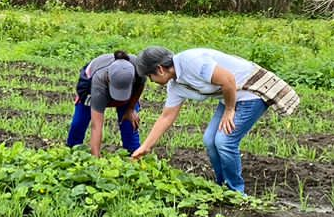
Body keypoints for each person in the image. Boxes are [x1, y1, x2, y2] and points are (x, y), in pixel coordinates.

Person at [129, 45, 299, 193]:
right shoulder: (175, 85)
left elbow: (228, 80)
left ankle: (236, 192)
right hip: (230, 95)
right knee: (210, 140)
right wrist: (145, 147)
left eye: (150, 76)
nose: (151, 81)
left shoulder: (191, 61)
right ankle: (221, 185)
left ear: (160, 69)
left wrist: (230, 109)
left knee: (225, 141)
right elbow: (166, 117)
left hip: (249, 91)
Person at [66, 50, 146, 156]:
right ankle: (72, 151)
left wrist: (131, 108)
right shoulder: (98, 81)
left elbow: (140, 86)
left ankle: (134, 155)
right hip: (90, 87)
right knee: (79, 123)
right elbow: (96, 125)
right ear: (108, 79)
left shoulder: (138, 70)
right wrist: (96, 159)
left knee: (129, 124)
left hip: (128, 91)